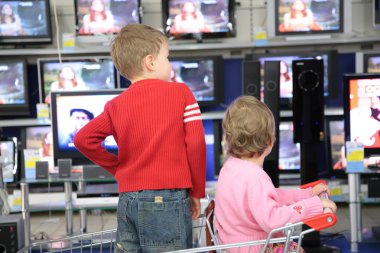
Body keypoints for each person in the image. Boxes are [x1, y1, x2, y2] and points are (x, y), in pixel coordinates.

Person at [74, 24, 206, 252]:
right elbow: (196, 145)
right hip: (169, 199)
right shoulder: (181, 93)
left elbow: (83, 139)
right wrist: (196, 192)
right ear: (150, 62)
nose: (169, 64)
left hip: (128, 199)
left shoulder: (116, 105)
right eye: (167, 57)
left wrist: (119, 169)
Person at [214, 95, 337, 253]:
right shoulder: (256, 178)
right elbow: (272, 220)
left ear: (227, 138)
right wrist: (314, 205)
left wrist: (306, 195)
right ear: (270, 142)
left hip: (233, 245)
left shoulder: (230, 167)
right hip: (256, 248)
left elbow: (263, 200)